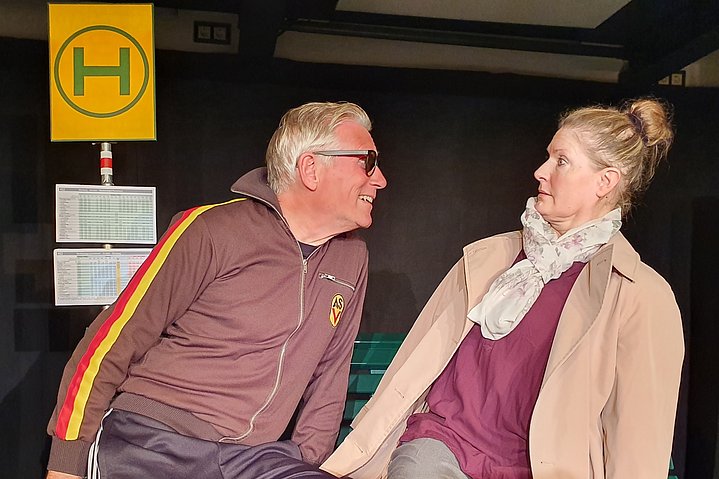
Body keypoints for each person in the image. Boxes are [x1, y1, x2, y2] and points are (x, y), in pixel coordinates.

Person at [322, 98, 684, 479]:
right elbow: (413, 370)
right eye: (548, 157)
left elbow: (638, 449)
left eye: (561, 161)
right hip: (444, 445)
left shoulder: (640, 296)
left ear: (604, 182)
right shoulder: (489, 260)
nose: (540, 171)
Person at [46, 101, 387, 479]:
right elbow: (112, 341)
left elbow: (330, 376)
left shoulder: (351, 258)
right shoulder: (211, 229)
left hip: (250, 458)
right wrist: (66, 464)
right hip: (152, 442)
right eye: (367, 162)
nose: (381, 180)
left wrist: (305, 460)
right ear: (310, 168)